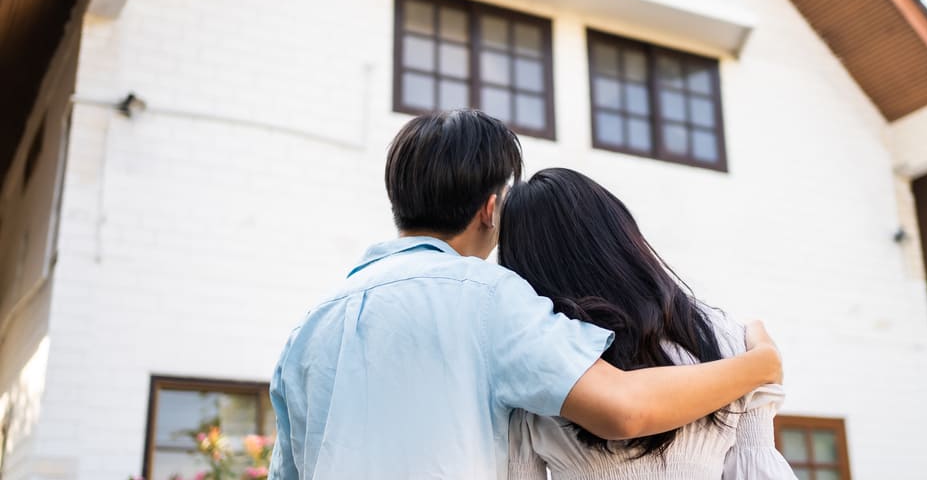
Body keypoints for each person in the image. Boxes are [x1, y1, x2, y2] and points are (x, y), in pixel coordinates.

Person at [268, 110, 783, 479]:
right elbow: (623, 407)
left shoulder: (310, 328)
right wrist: (758, 364)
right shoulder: (489, 298)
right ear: (491, 210)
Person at [498, 167, 796, 479]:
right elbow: (757, 467)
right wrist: (763, 360)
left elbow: (518, 472)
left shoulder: (535, 361)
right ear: (617, 233)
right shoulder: (726, 338)